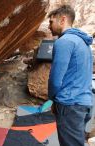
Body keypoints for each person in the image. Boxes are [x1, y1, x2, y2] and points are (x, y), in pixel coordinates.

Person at [47, 5, 93, 146]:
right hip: (85, 102)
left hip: (70, 104)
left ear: (63, 20)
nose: (49, 26)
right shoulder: (83, 43)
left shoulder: (64, 42)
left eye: (51, 22)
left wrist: (52, 99)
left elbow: (55, 79)